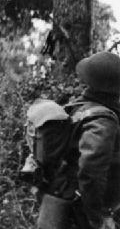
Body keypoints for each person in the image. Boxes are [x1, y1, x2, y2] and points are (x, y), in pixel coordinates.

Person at [38, 51, 120, 229]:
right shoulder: (103, 120)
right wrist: (97, 218)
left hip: (56, 197)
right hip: (76, 208)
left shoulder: (76, 108)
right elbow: (91, 171)